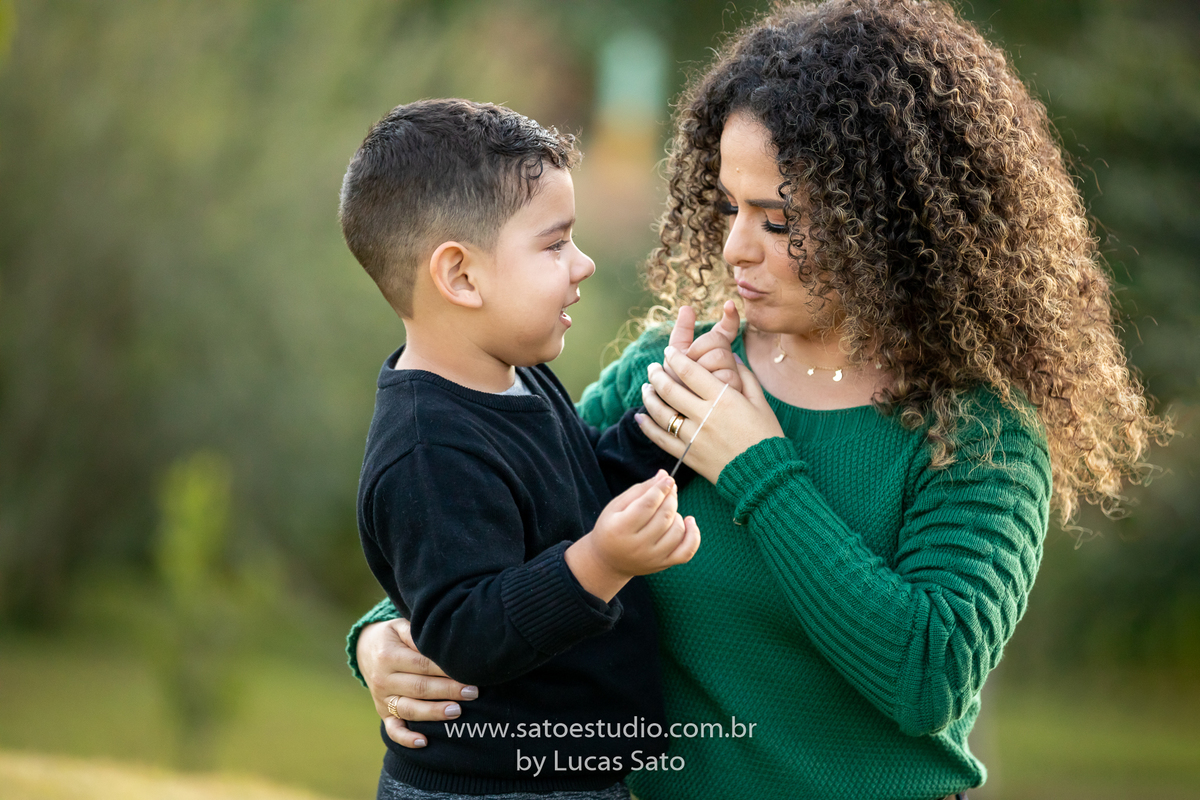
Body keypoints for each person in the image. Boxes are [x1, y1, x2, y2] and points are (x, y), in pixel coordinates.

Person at [347, 3, 1170, 799]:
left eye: (779, 221)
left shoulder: (979, 431)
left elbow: (930, 676)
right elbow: (506, 529)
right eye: (729, 206)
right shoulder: (674, 369)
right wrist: (382, 635)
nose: (736, 247)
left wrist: (755, 466)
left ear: (888, 223)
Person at [339, 98, 744, 799]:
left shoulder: (515, 377)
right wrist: (602, 562)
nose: (583, 264)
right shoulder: (428, 449)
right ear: (461, 276)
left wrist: (673, 413)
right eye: (555, 245)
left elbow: (584, 489)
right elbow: (465, 632)